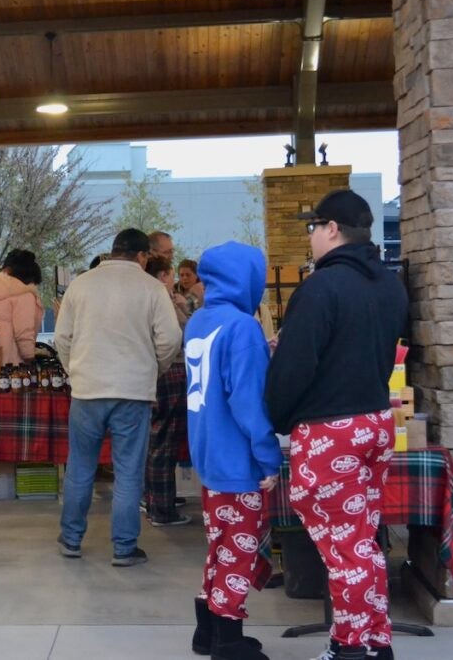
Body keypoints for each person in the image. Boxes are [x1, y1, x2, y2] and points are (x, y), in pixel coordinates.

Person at [265, 190, 408, 660]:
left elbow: (293, 367)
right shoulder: (389, 284)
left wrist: (278, 418)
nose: (309, 236)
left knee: (344, 550)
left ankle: (350, 648)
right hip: (375, 421)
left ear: (332, 229)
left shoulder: (321, 288)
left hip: (330, 433)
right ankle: (374, 641)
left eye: (313, 226)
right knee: (362, 542)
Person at [55, 229, 182, 566]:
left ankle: (70, 539)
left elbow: (62, 337)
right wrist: (152, 368)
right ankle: (124, 548)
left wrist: (75, 371)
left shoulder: (81, 284)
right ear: (142, 256)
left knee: (80, 467)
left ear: (113, 251)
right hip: (132, 392)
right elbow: (170, 338)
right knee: (128, 471)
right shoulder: (151, 288)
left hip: (87, 390)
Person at [184, 241, 282, 660]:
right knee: (238, 550)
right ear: (248, 280)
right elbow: (248, 402)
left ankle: (207, 631)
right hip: (240, 460)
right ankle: (228, 641)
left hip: (208, 455)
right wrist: (269, 456)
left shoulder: (198, 321)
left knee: (221, 545)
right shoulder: (243, 327)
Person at [142, 256, 192, 527]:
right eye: (172, 274)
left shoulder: (142, 296)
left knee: (155, 441)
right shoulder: (163, 298)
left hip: (151, 373)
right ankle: (162, 510)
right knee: (165, 443)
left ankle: (154, 501)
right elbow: (177, 336)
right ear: (162, 276)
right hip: (170, 370)